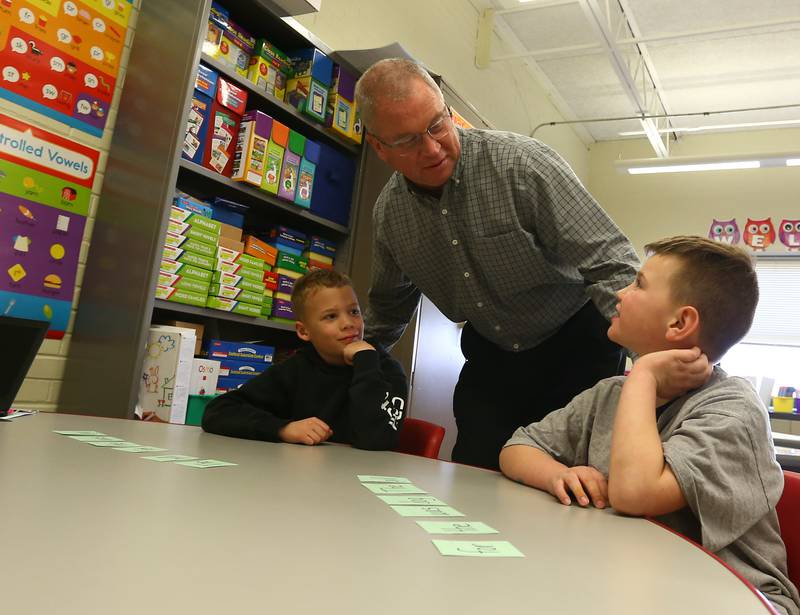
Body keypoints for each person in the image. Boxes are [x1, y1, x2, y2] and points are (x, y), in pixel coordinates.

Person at [354, 58, 639, 470]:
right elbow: (388, 306)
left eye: (437, 125)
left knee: (575, 481)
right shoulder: (389, 216)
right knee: (475, 470)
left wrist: (652, 357)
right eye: (409, 141)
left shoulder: (522, 165)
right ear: (380, 147)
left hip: (577, 345)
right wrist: (350, 355)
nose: (432, 148)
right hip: (493, 355)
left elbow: (610, 263)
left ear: (447, 112)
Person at [500, 236, 799, 615]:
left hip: (738, 595)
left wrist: (642, 374)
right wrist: (557, 473)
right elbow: (516, 448)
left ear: (680, 322)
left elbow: (635, 494)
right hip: (637, 579)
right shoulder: (611, 393)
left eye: (639, 284)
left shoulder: (732, 409)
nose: (621, 293)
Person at [202, 269, 407, 450]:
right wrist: (283, 429)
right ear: (304, 331)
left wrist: (366, 363)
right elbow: (217, 412)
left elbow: (376, 440)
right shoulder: (295, 369)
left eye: (354, 312)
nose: (348, 323)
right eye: (331, 316)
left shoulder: (387, 370)